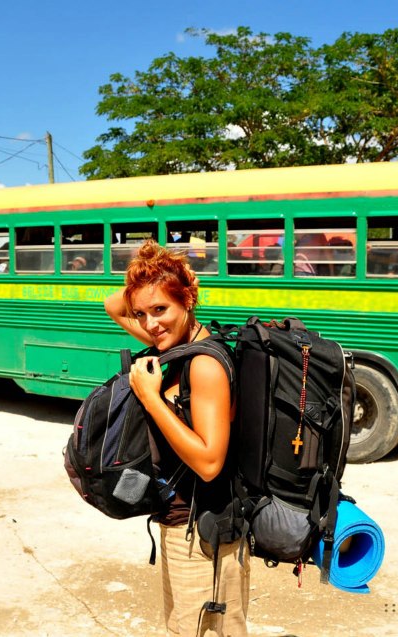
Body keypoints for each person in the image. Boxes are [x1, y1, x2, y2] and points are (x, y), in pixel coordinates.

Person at [104, 240, 249, 637]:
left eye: (161, 310)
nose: (150, 324)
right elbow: (111, 305)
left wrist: (151, 398)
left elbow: (209, 462)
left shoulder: (203, 364)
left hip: (206, 537)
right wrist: (153, 275)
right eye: (142, 314)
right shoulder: (173, 345)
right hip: (178, 527)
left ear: (186, 301)